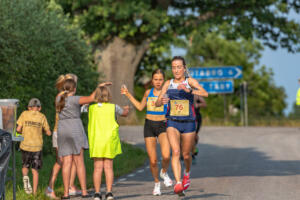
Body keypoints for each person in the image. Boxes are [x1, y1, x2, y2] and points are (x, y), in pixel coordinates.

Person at [156, 56, 208, 196]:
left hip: (189, 123)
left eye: (179, 67)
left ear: (184, 68)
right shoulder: (168, 83)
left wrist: (189, 91)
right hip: (172, 121)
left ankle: (187, 173)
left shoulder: (189, 81)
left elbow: (205, 93)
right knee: (176, 152)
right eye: (174, 67)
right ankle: (178, 183)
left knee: (186, 155)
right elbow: (157, 103)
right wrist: (162, 100)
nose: (176, 70)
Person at [121, 69, 173, 196]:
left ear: (164, 80)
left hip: (163, 125)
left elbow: (176, 108)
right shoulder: (147, 93)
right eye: (155, 79)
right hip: (149, 125)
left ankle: (164, 172)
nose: (158, 82)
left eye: (160, 79)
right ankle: (156, 183)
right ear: (152, 80)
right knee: (153, 160)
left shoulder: (168, 93)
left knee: (166, 156)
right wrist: (127, 94)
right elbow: (139, 107)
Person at [56, 78, 110, 199]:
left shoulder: (58, 99)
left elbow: (62, 94)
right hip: (75, 128)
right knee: (79, 161)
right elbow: (91, 98)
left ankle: (66, 193)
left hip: (62, 129)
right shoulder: (75, 99)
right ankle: (84, 192)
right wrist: (99, 86)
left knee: (67, 162)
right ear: (74, 89)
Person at [89, 86, 129, 200]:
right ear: (108, 95)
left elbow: (81, 108)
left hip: (96, 140)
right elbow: (124, 114)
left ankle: (97, 193)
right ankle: (109, 192)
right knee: (108, 167)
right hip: (109, 141)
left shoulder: (91, 108)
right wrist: (126, 109)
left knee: (97, 168)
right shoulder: (113, 107)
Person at [45, 74, 81, 199]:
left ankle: (70, 186)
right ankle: (50, 188)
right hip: (59, 132)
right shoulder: (60, 96)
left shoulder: (68, 97)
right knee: (61, 161)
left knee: (73, 160)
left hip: (66, 131)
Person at [16, 98, 51, 195]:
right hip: (37, 147)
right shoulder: (42, 116)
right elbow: (48, 133)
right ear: (39, 108)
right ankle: (34, 193)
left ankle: (25, 178)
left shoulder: (24, 114)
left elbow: (18, 129)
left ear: (29, 107)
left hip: (25, 145)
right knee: (35, 170)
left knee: (25, 166)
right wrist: (43, 130)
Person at [192, 95, 206, 163]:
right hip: (186, 117)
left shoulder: (197, 96)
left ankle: (194, 150)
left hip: (196, 117)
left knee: (194, 135)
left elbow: (205, 104)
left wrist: (198, 104)